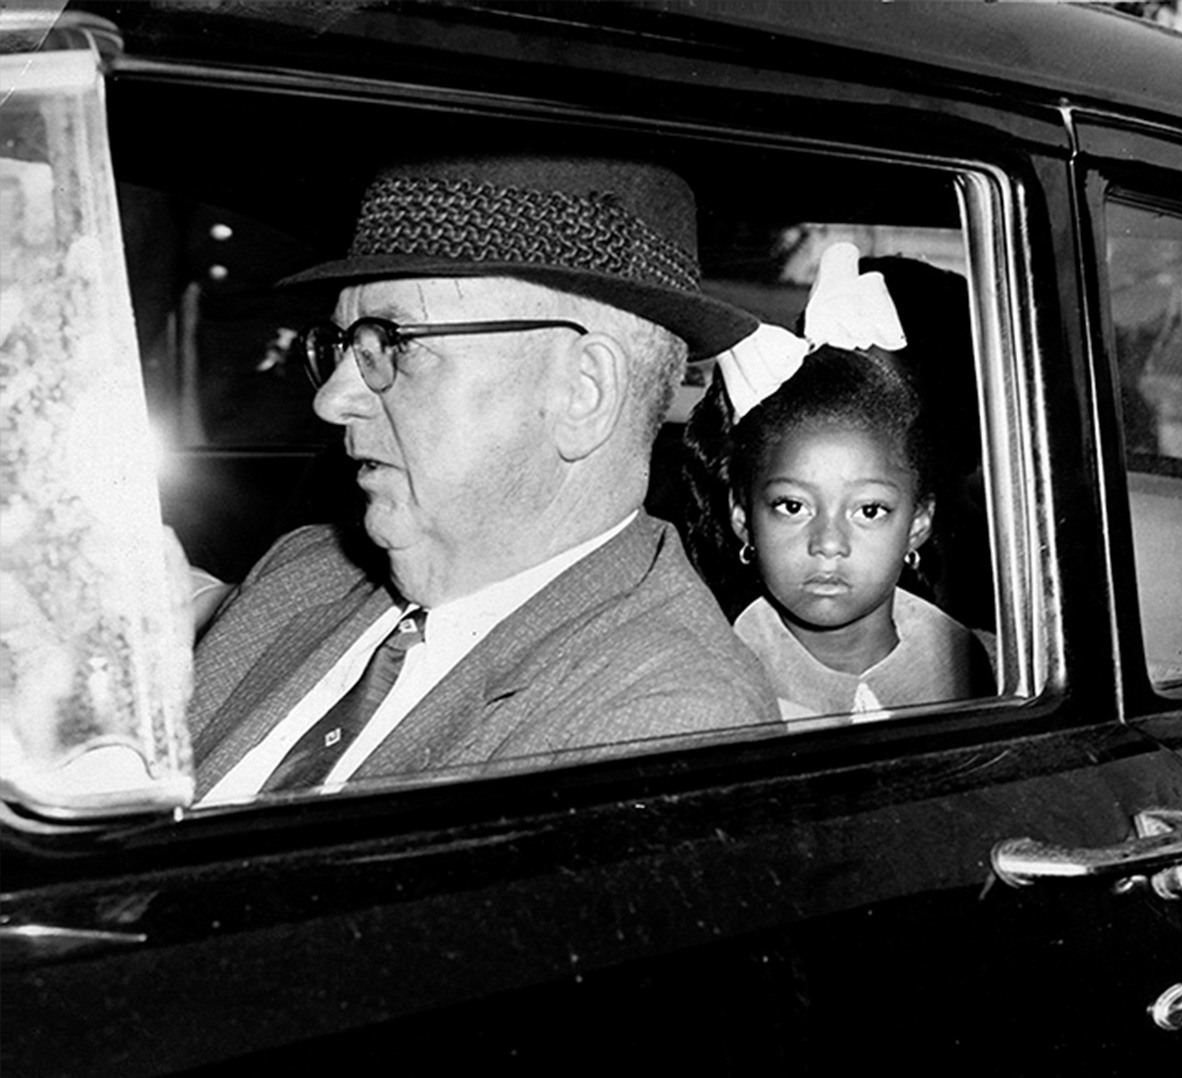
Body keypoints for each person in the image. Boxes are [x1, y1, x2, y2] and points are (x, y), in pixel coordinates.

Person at [189, 156, 779, 801]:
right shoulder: (305, 570)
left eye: (393, 344)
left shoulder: (668, 722)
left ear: (583, 392)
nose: (333, 400)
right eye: (342, 346)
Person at [681, 243, 993, 723]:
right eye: (792, 506)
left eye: (869, 510)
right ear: (742, 517)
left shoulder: (986, 665)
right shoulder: (713, 683)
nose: (828, 544)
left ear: (918, 522)